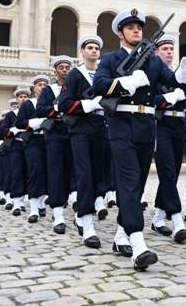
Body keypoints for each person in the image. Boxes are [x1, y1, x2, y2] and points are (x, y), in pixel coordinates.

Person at [92, 8, 186, 271]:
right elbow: (100, 86)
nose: (137, 30)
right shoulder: (110, 58)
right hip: (121, 125)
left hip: (146, 126)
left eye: (139, 27)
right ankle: (138, 244)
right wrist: (126, 82)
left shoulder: (153, 61)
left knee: (136, 184)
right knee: (127, 181)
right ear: (120, 32)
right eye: (131, 27)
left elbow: (172, 82)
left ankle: (119, 236)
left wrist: (183, 74)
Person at [57, 35, 115, 250]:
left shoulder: (103, 74)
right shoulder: (75, 75)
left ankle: (83, 214)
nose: (93, 51)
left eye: (96, 48)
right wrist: (86, 105)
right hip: (81, 129)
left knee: (99, 174)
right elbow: (64, 104)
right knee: (84, 174)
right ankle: (87, 224)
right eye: (89, 48)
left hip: (101, 128)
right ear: (82, 52)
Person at [150, 34, 186, 243]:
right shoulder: (153, 74)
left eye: (171, 49)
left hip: (178, 126)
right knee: (166, 171)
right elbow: (150, 100)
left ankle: (157, 218)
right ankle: (176, 220)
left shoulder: (179, 74)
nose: (169, 52)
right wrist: (167, 99)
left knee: (171, 173)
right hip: (161, 124)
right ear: (156, 52)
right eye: (164, 49)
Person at [36, 55, 79, 235]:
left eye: (67, 67)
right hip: (55, 133)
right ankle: (58, 213)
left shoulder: (75, 88)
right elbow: (40, 109)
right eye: (61, 67)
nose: (64, 69)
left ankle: (75, 205)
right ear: (55, 70)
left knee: (73, 170)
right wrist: (56, 108)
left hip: (73, 131)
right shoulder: (49, 90)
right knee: (56, 171)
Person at [15, 75, 51, 223]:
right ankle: (34, 208)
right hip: (34, 140)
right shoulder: (28, 104)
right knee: (35, 172)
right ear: (34, 88)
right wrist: (33, 123)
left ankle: (42, 200)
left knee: (48, 172)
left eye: (44, 85)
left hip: (49, 140)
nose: (42, 87)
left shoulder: (51, 103)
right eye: (39, 84)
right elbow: (19, 123)